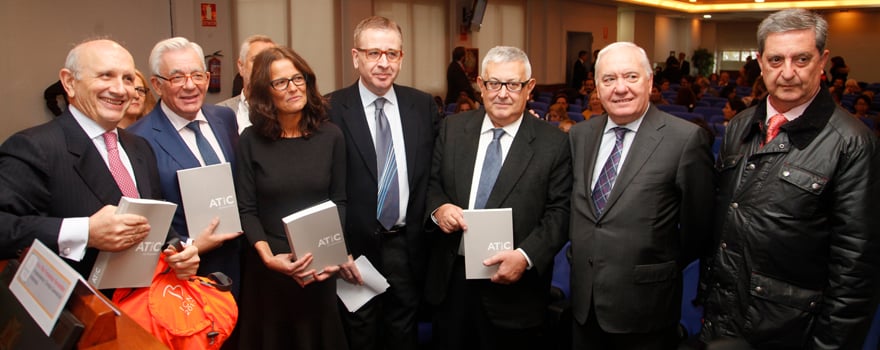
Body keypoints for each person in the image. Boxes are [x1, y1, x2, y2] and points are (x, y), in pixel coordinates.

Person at [700, 9, 880, 349]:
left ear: (822, 60)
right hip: (723, 321)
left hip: (791, 333)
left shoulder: (852, 143)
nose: (787, 73)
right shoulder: (740, 125)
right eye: (776, 59)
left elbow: (855, 271)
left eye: (801, 59)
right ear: (760, 62)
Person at [0, 39, 199, 284]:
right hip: (81, 308)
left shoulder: (139, 147)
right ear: (69, 83)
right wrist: (86, 232)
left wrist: (180, 249)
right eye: (106, 76)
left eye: (127, 79)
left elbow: (150, 220)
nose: (120, 89)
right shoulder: (35, 147)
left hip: (144, 306)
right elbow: (4, 227)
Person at [567, 41, 714, 350]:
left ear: (650, 81)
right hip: (584, 304)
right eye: (609, 79)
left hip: (646, 308)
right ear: (596, 87)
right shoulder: (581, 135)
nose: (620, 88)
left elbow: (698, 230)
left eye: (631, 77)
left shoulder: (685, 139)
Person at [425, 45, 572, 350]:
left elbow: (560, 211)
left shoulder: (554, 143)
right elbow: (431, 184)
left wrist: (526, 256)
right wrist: (439, 208)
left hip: (515, 293)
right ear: (480, 85)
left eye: (513, 84)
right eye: (494, 83)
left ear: (529, 88)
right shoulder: (452, 128)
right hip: (452, 286)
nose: (502, 93)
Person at [326, 16, 439, 350]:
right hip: (354, 251)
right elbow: (322, 187)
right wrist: (336, 249)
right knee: (359, 334)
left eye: (392, 54)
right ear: (355, 57)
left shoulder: (422, 106)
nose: (383, 63)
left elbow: (437, 169)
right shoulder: (330, 109)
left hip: (408, 245)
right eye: (374, 53)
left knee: (403, 331)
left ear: (402, 58)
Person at [235, 46, 347, 349]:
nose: (294, 88)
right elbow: (246, 209)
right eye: (281, 82)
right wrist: (268, 257)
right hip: (269, 272)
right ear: (265, 92)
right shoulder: (249, 141)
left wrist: (331, 255)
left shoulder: (331, 136)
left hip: (319, 269)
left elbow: (340, 201)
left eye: (298, 79)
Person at [127, 37, 243, 296]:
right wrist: (189, 246)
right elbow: (146, 217)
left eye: (197, 75)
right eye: (177, 78)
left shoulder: (224, 118)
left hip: (240, 263)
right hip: (185, 276)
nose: (190, 86)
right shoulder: (138, 139)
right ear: (156, 84)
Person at [217, 35, 276, 134]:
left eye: (270, 61)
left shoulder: (289, 110)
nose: (263, 66)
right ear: (241, 66)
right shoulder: (218, 113)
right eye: (256, 60)